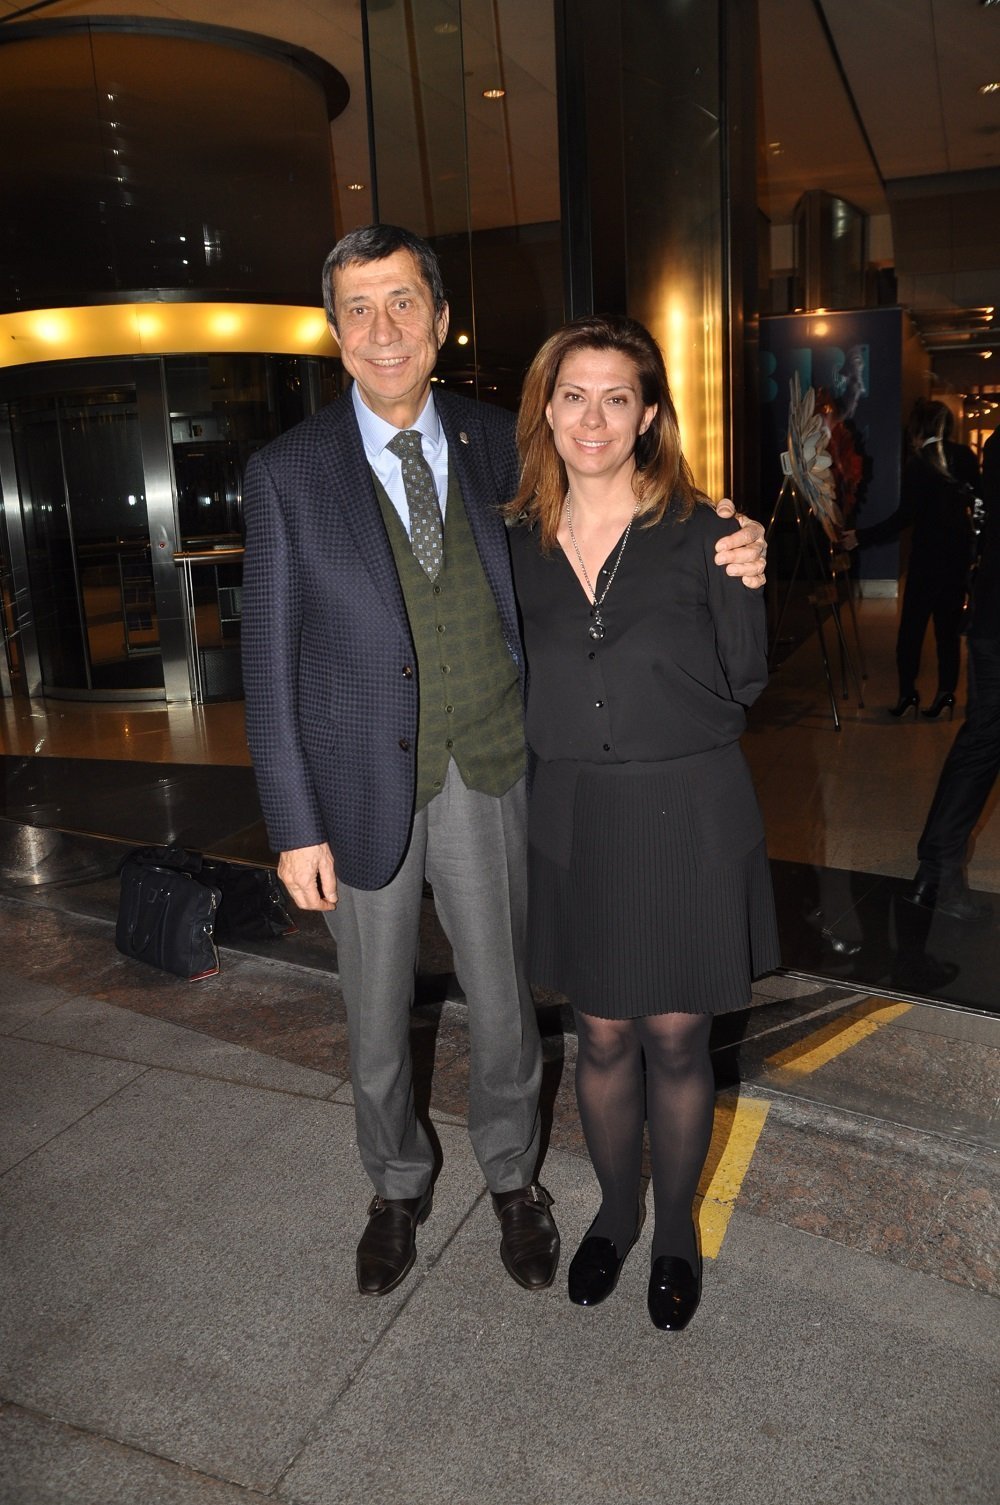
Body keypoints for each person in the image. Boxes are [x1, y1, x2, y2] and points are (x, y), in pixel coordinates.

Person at [240, 225, 768, 1300]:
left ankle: (515, 1178)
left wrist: (734, 538)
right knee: (375, 1015)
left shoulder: (500, 446)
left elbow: (620, 526)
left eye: (403, 303)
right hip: (360, 787)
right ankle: (396, 1186)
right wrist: (293, 823)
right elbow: (267, 659)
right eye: (358, 309)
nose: (384, 329)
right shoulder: (286, 472)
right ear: (334, 332)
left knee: (505, 1005)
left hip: (493, 773)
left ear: (441, 320)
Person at [506, 315, 779, 1331]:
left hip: (687, 810)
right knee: (601, 1032)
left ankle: (674, 1235)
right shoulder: (512, 542)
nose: (593, 417)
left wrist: (748, 558)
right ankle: (615, 1216)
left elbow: (745, 677)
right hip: (574, 812)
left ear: (649, 414)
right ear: (546, 410)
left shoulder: (709, 534)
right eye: (573, 395)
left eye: (616, 397)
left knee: (674, 1035)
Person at [907, 424, 1000, 921]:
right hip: (994, 620)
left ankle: (936, 870)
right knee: (983, 741)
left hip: (992, 616)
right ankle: (938, 869)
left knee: (982, 742)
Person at [843, 399, 980, 719]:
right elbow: (980, 504)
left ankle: (908, 694)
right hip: (957, 558)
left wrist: (861, 536)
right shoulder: (965, 456)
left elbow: (903, 518)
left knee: (911, 632)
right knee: (947, 633)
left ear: (918, 428)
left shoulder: (919, 464)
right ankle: (946, 694)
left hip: (927, 560)